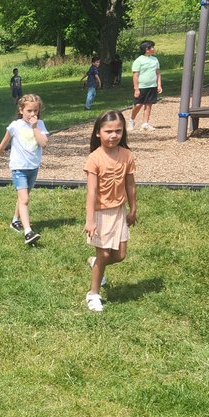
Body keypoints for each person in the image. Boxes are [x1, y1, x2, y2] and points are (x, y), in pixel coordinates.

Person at [84, 111, 137, 313]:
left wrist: (133, 209)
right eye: (108, 131)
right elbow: (91, 191)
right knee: (104, 253)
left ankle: (96, 263)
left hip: (119, 211)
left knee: (120, 255)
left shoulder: (127, 155)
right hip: (100, 213)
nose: (113, 135)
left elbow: (130, 184)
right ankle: (93, 294)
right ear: (98, 132)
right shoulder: (94, 158)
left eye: (118, 131)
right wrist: (90, 220)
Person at [0, 94, 48, 246]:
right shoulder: (15, 126)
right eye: (29, 110)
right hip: (18, 168)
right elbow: (4, 143)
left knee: (23, 197)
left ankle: (15, 220)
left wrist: (35, 127)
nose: (33, 114)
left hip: (33, 167)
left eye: (35, 110)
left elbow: (43, 143)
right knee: (24, 199)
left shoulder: (40, 124)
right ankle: (28, 232)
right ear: (21, 110)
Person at [128, 40, 161, 131]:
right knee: (138, 104)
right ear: (147, 49)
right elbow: (135, 76)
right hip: (142, 87)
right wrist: (136, 89)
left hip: (152, 86)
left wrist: (159, 85)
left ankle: (145, 123)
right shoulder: (138, 61)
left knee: (149, 104)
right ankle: (131, 120)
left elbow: (158, 73)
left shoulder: (155, 59)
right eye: (152, 47)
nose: (154, 49)